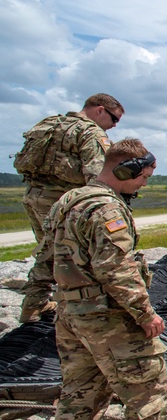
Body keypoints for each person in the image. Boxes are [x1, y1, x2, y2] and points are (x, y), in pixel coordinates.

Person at [21, 138, 167, 420]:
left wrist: (32, 303)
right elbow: (116, 269)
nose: (143, 185)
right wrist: (145, 314)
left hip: (71, 318)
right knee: (147, 386)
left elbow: (44, 257)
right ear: (124, 169)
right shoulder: (106, 209)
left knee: (79, 393)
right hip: (109, 318)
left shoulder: (68, 200)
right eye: (142, 177)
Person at [15, 94, 124, 323]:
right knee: (62, 255)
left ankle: (37, 302)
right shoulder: (90, 132)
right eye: (114, 119)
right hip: (63, 201)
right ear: (100, 110)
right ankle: (55, 307)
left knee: (48, 251)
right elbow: (98, 177)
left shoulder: (50, 124)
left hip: (34, 196)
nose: (114, 126)